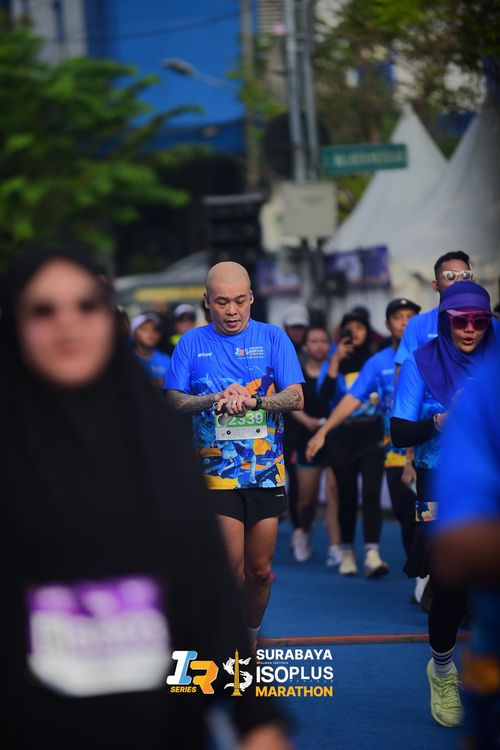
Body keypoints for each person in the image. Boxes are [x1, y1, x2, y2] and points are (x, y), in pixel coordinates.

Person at [0, 249, 291, 750]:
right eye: (44, 310)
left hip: (157, 717)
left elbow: (204, 586)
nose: (67, 324)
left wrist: (256, 716)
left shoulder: (149, 434)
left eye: (86, 306)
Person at [165, 262, 304, 645]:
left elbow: (296, 397)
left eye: (240, 301)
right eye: (222, 302)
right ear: (206, 302)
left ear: (252, 298)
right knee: (230, 570)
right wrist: (214, 399)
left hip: (265, 472)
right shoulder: (191, 343)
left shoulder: (273, 337)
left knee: (259, 572)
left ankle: (249, 638)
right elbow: (172, 400)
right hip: (216, 473)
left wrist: (257, 400)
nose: (232, 311)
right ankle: (223, 644)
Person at [390, 280, 498, 729]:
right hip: (441, 481)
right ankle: (442, 671)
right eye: (460, 321)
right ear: (444, 320)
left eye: (479, 321)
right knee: (450, 586)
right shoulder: (422, 361)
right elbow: (399, 432)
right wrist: (438, 420)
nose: (470, 329)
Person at [307, 299, 421, 567]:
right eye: (398, 317)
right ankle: (350, 551)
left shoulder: (430, 353)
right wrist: (323, 431)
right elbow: (339, 397)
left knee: (383, 499)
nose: (405, 322)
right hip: (368, 444)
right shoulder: (375, 362)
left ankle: (376, 554)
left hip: (394, 441)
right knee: (391, 509)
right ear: (387, 324)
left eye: (410, 316)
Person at [435, 350, 500, 749]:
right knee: (442, 589)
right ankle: (443, 668)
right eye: (461, 321)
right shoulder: (488, 386)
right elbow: (457, 551)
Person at [304, 310, 387, 577]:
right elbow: (323, 395)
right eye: (349, 328)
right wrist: (336, 360)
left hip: (371, 433)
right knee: (347, 496)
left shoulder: (375, 360)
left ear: (368, 331)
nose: (355, 333)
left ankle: (372, 553)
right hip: (341, 437)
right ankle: (348, 551)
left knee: (371, 494)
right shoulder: (334, 360)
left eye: (360, 327)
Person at [289, 326, 342, 566]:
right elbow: (290, 402)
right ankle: (304, 530)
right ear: (305, 345)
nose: (319, 345)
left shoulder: (336, 371)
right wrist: (307, 421)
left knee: (334, 494)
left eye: (324, 341)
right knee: (306, 501)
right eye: (314, 341)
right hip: (306, 439)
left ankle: (335, 546)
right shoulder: (296, 372)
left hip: (334, 438)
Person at [281, 303, 309, 548]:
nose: (297, 331)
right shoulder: (279, 352)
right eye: (293, 327)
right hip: (288, 428)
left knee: (306, 487)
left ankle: (302, 528)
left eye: (300, 327)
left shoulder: (313, 352)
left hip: (310, 430)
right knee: (293, 479)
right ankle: (297, 528)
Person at [130, 311, 171, 390]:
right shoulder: (126, 360)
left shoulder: (167, 360)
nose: (151, 333)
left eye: (155, 329)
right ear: (134, 333)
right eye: (144, 329)